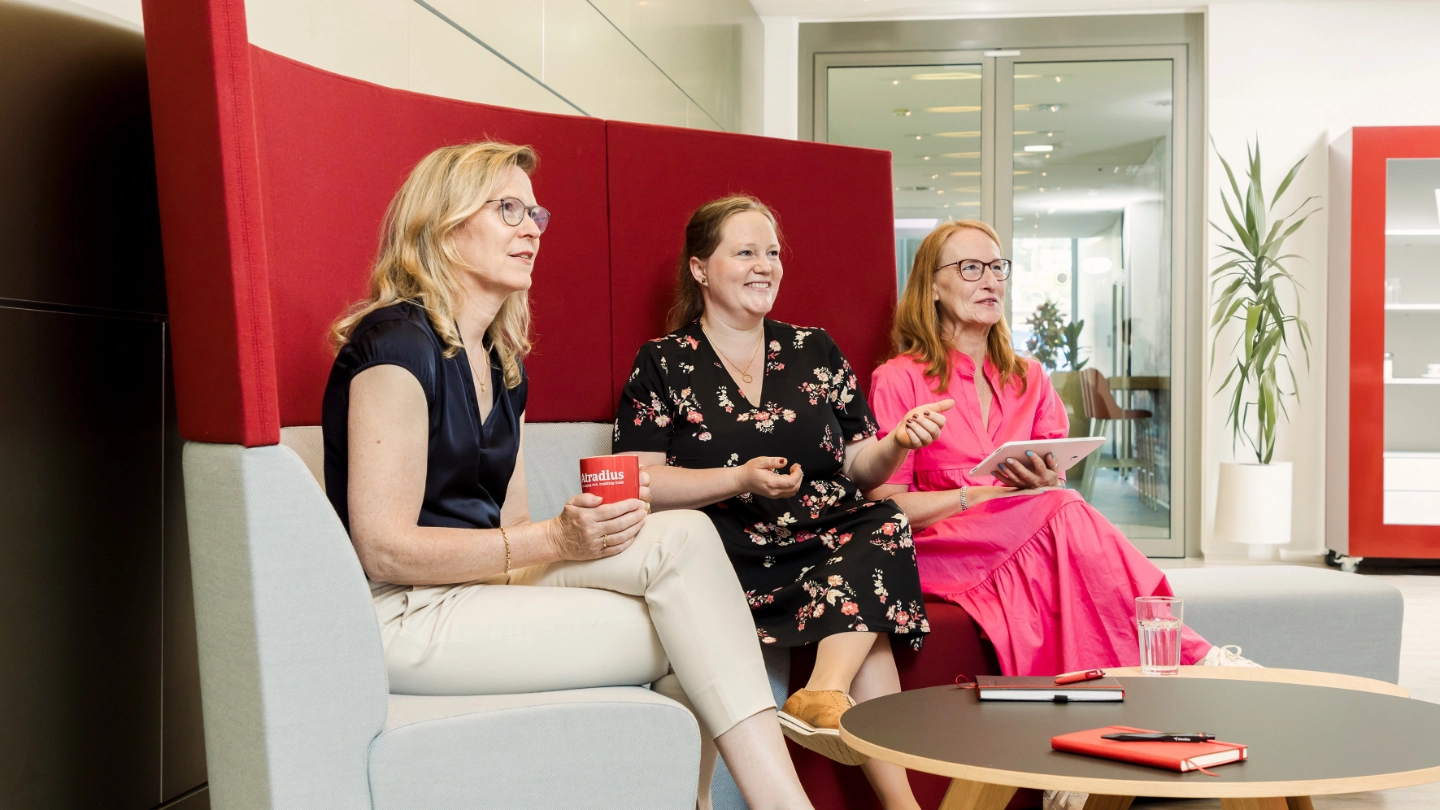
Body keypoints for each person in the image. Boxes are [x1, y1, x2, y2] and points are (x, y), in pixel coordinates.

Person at [322, 143, 817, 810]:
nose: (532, 227)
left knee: (687, 537)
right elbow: (382, 550)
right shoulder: (396, 346)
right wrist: (560, 539)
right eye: (508, 209)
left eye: (534, 212)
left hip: (476, 587)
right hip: (404, 613)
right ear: (444, 222)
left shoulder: (501, 360)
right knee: (692, 631)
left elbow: (512, 529)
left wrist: (586, 528)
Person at [613, 195, 951, 810]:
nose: (765, 265)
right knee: (866, 621)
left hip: (827, 539)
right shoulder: (662, 363)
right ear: (700, 269)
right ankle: (894, 793)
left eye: (772, 252)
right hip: (724, 551)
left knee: (883, 524)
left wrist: (898, 441)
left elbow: (858, 464)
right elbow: (640, 478)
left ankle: (823, 693)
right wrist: (738, 478)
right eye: (745, 252)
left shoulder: (814, 349)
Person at [866, 219, 1259, 677]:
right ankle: (1187, 653)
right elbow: (886, 505)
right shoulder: (899, 378)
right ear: (932, 287)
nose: (991, 280)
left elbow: (1055, 478)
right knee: (1067, 510)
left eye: (997, 267)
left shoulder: (1030, 377)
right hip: (940, 546)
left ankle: (1140, 671)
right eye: (971, 268)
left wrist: (1045, 479)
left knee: (1062, 505)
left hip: (1024, 534)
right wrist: (981, 496)